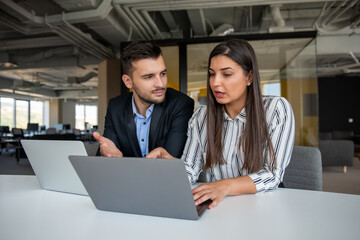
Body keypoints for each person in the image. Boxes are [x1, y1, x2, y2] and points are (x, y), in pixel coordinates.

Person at [147, 39, 295, 209]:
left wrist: (225, 186)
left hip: (264, 206)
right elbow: (190, 169)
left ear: (249, 77)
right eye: (212, 73)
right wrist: (170, 164)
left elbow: (271, 175)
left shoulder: (276, 109)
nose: (215, 82)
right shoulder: (201, 117)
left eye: (226, 74)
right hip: (219, 206)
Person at [94, 40, 194, 158]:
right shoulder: (115, 107)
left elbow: (171, 160)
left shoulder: (180, 104)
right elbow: (108, 152)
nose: (160, 84)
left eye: (163, 74)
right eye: (149, 77)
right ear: (128, 81)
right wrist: (108, 155)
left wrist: (122, 162)